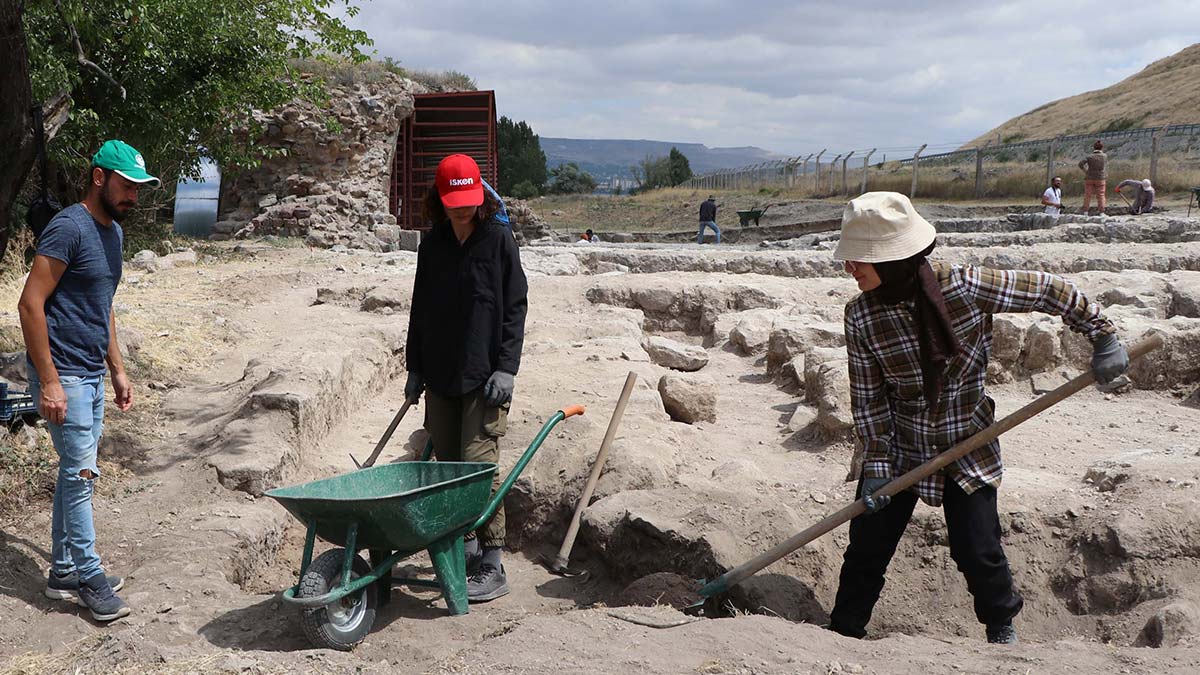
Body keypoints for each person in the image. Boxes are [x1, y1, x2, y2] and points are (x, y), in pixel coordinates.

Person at [827, 192, 1129, 645]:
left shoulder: (964, 287)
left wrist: (1101, 333)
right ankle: (843, 633)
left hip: (968, 438)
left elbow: (1048, 289)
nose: (850, 269)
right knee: (867, 547)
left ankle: (1001, 630)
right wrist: (874, 467)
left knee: (978, 549)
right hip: (903, 448)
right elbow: (869, 400)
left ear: (893, 259)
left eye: (859, 260)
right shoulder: (861, 316)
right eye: (849, 260)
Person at [17, 140, 161, 622]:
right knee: (81, 478)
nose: (133, 198)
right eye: (127, 187)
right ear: (99, 177)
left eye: (138, 190)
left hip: (93, 374)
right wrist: (50, 381)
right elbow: (30, 304)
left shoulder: (113, 234)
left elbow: (103, 307)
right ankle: (90, 578)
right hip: (66, 378)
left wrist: (117, 368)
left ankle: (62, 571)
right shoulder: (68, 228)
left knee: (72, 475)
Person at [404, 153, 528, 602]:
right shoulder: (432, 245)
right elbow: (419, 309)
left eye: (469, 201)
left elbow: (515, 308)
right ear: (440, 199)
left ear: (480, 198)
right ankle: (467, 551)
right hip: (440, 374)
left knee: (478, 467)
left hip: (485, 377)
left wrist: (507, 368)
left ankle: (492, 563)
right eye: (454, 201)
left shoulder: (498, 241)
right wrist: (415, 366)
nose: (463, 209)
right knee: (448, 465)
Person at [1079, 140, 1108, 215]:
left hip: (1089, 177)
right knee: (1101, 195)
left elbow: (1080, 164)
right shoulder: (1104, 156)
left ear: (1093, 148)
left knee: (1087, 194)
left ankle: (1085, 211)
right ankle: (1101, 211)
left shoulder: (1089, 157)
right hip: (1100, 177)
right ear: (1102, 148)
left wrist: (1086, 171)